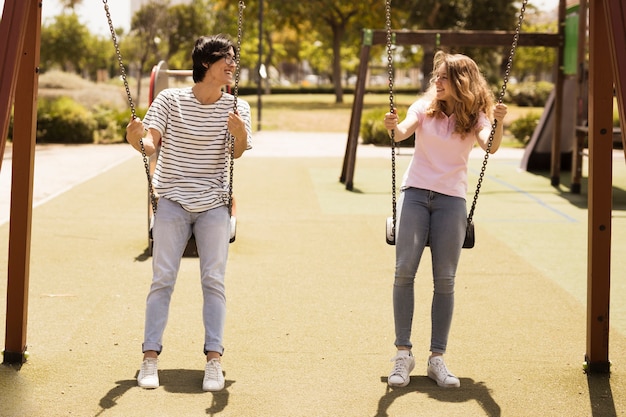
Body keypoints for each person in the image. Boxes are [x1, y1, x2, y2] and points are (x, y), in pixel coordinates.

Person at [125, 34, 252, 391]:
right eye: (225, 58)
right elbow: (150, 142)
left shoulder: (237, 107)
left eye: (233, 59)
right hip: (172, 201)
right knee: (162, 278)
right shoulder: (170, 100)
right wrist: (136, 137)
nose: (232, 64)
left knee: (214, 279)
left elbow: (238, 153)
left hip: (214, 203)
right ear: (205, 63)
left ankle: (214, 361)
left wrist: (239, 134)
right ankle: (149, 359)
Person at [383, 51, 507, 388]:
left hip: (451, 199)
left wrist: (498, 123)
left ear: (460, 82)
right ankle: (402, 354)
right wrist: (394, 127)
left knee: (446, 279)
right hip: (415, 195)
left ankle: (437, 358)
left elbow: (489, 146)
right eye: (435, 77)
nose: (435, 82)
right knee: (404, 270)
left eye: (442, 78)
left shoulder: (476, 116)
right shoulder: (424, 109)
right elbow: (402, 133)